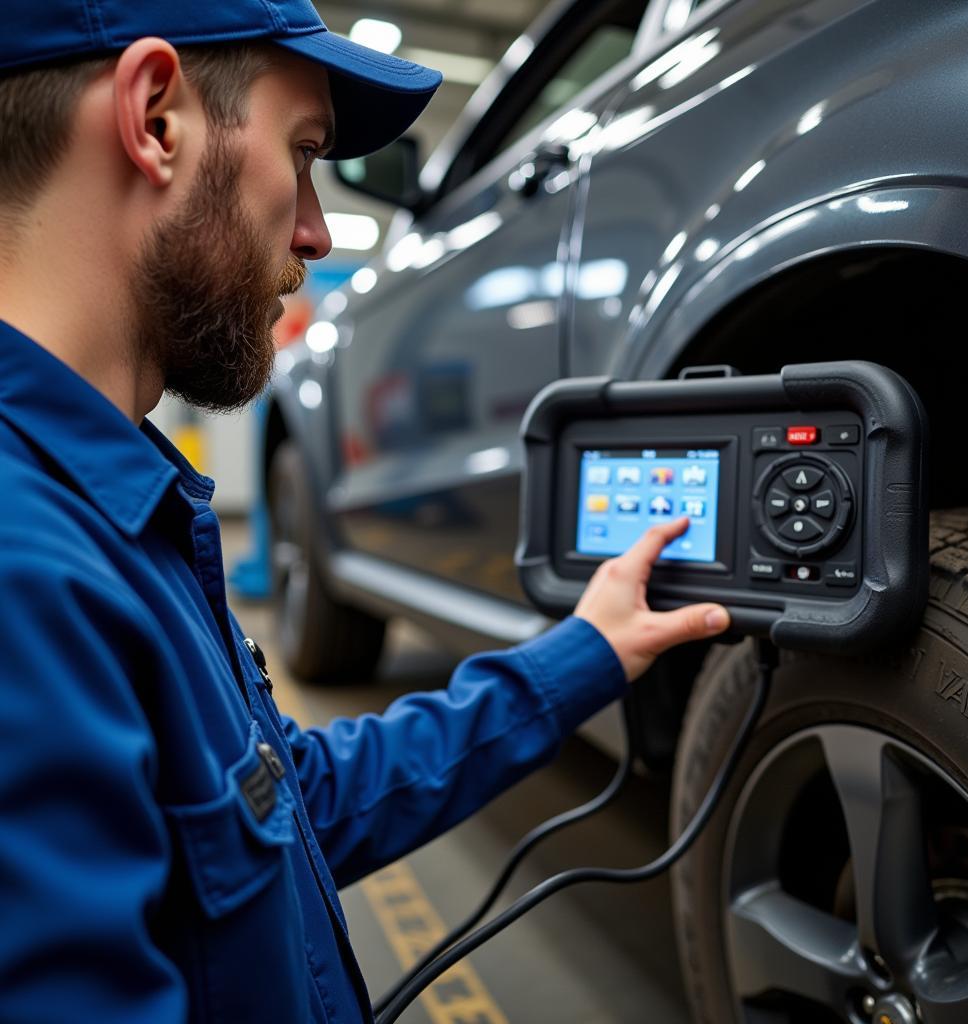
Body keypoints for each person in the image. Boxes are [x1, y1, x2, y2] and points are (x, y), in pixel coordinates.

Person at [0, 2, 732, 1020]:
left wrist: (587, 651)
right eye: (303, 155)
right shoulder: (27, 577)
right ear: (155, 117)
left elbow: (281, 806)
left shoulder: (102, 510)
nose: (318, 229)